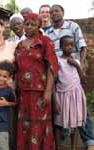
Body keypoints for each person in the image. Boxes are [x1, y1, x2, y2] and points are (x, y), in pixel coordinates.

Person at [47, 5, 94, 149]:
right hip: (57, 73)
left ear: (63, 12)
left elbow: (83, 46)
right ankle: (59, 143)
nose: (54, 13)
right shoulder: (47, 31)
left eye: (57, 11)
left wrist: (80, 64)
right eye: (52, 12)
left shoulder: (73, 26)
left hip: (73, 71)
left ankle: (89, 141)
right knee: (61, 111)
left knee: (81, 111)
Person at [15, 13, 59, 150]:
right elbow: (16, 69)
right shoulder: (20, 45)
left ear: (38, 26)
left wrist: (48, 91)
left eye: (32, 24)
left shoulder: (45, 41)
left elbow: (52, 67)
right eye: (26, 24)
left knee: (40, 125)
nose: (28, 27)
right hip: (23, 93)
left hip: (40, 93)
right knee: (25, 125)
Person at [54, 35, 87, 150]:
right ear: (61, 46)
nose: (70, 47)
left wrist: (77, 65)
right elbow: (54, 81)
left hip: (75, 96)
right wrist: (55, 101)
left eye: (72, 45)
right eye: (66, 45)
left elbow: (83, 80)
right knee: (58, 123)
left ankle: (73, 147)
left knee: (75, 124)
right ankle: (58, 146)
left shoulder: (76, 61)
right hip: (62, 95)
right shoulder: (57, 61)